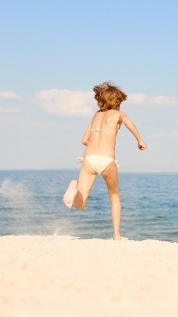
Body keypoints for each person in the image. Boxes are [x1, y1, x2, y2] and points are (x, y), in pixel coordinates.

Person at [63, 81, 147, 240]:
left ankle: (75, 190)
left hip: (89, 159)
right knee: (114, 195)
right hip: (107, 160)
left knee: (80, 204)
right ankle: (116, 235)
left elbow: (84, 140)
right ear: (116, 102)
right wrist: (140, 140)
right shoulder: (119, 115)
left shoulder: (96, 115)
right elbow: (128, 123)